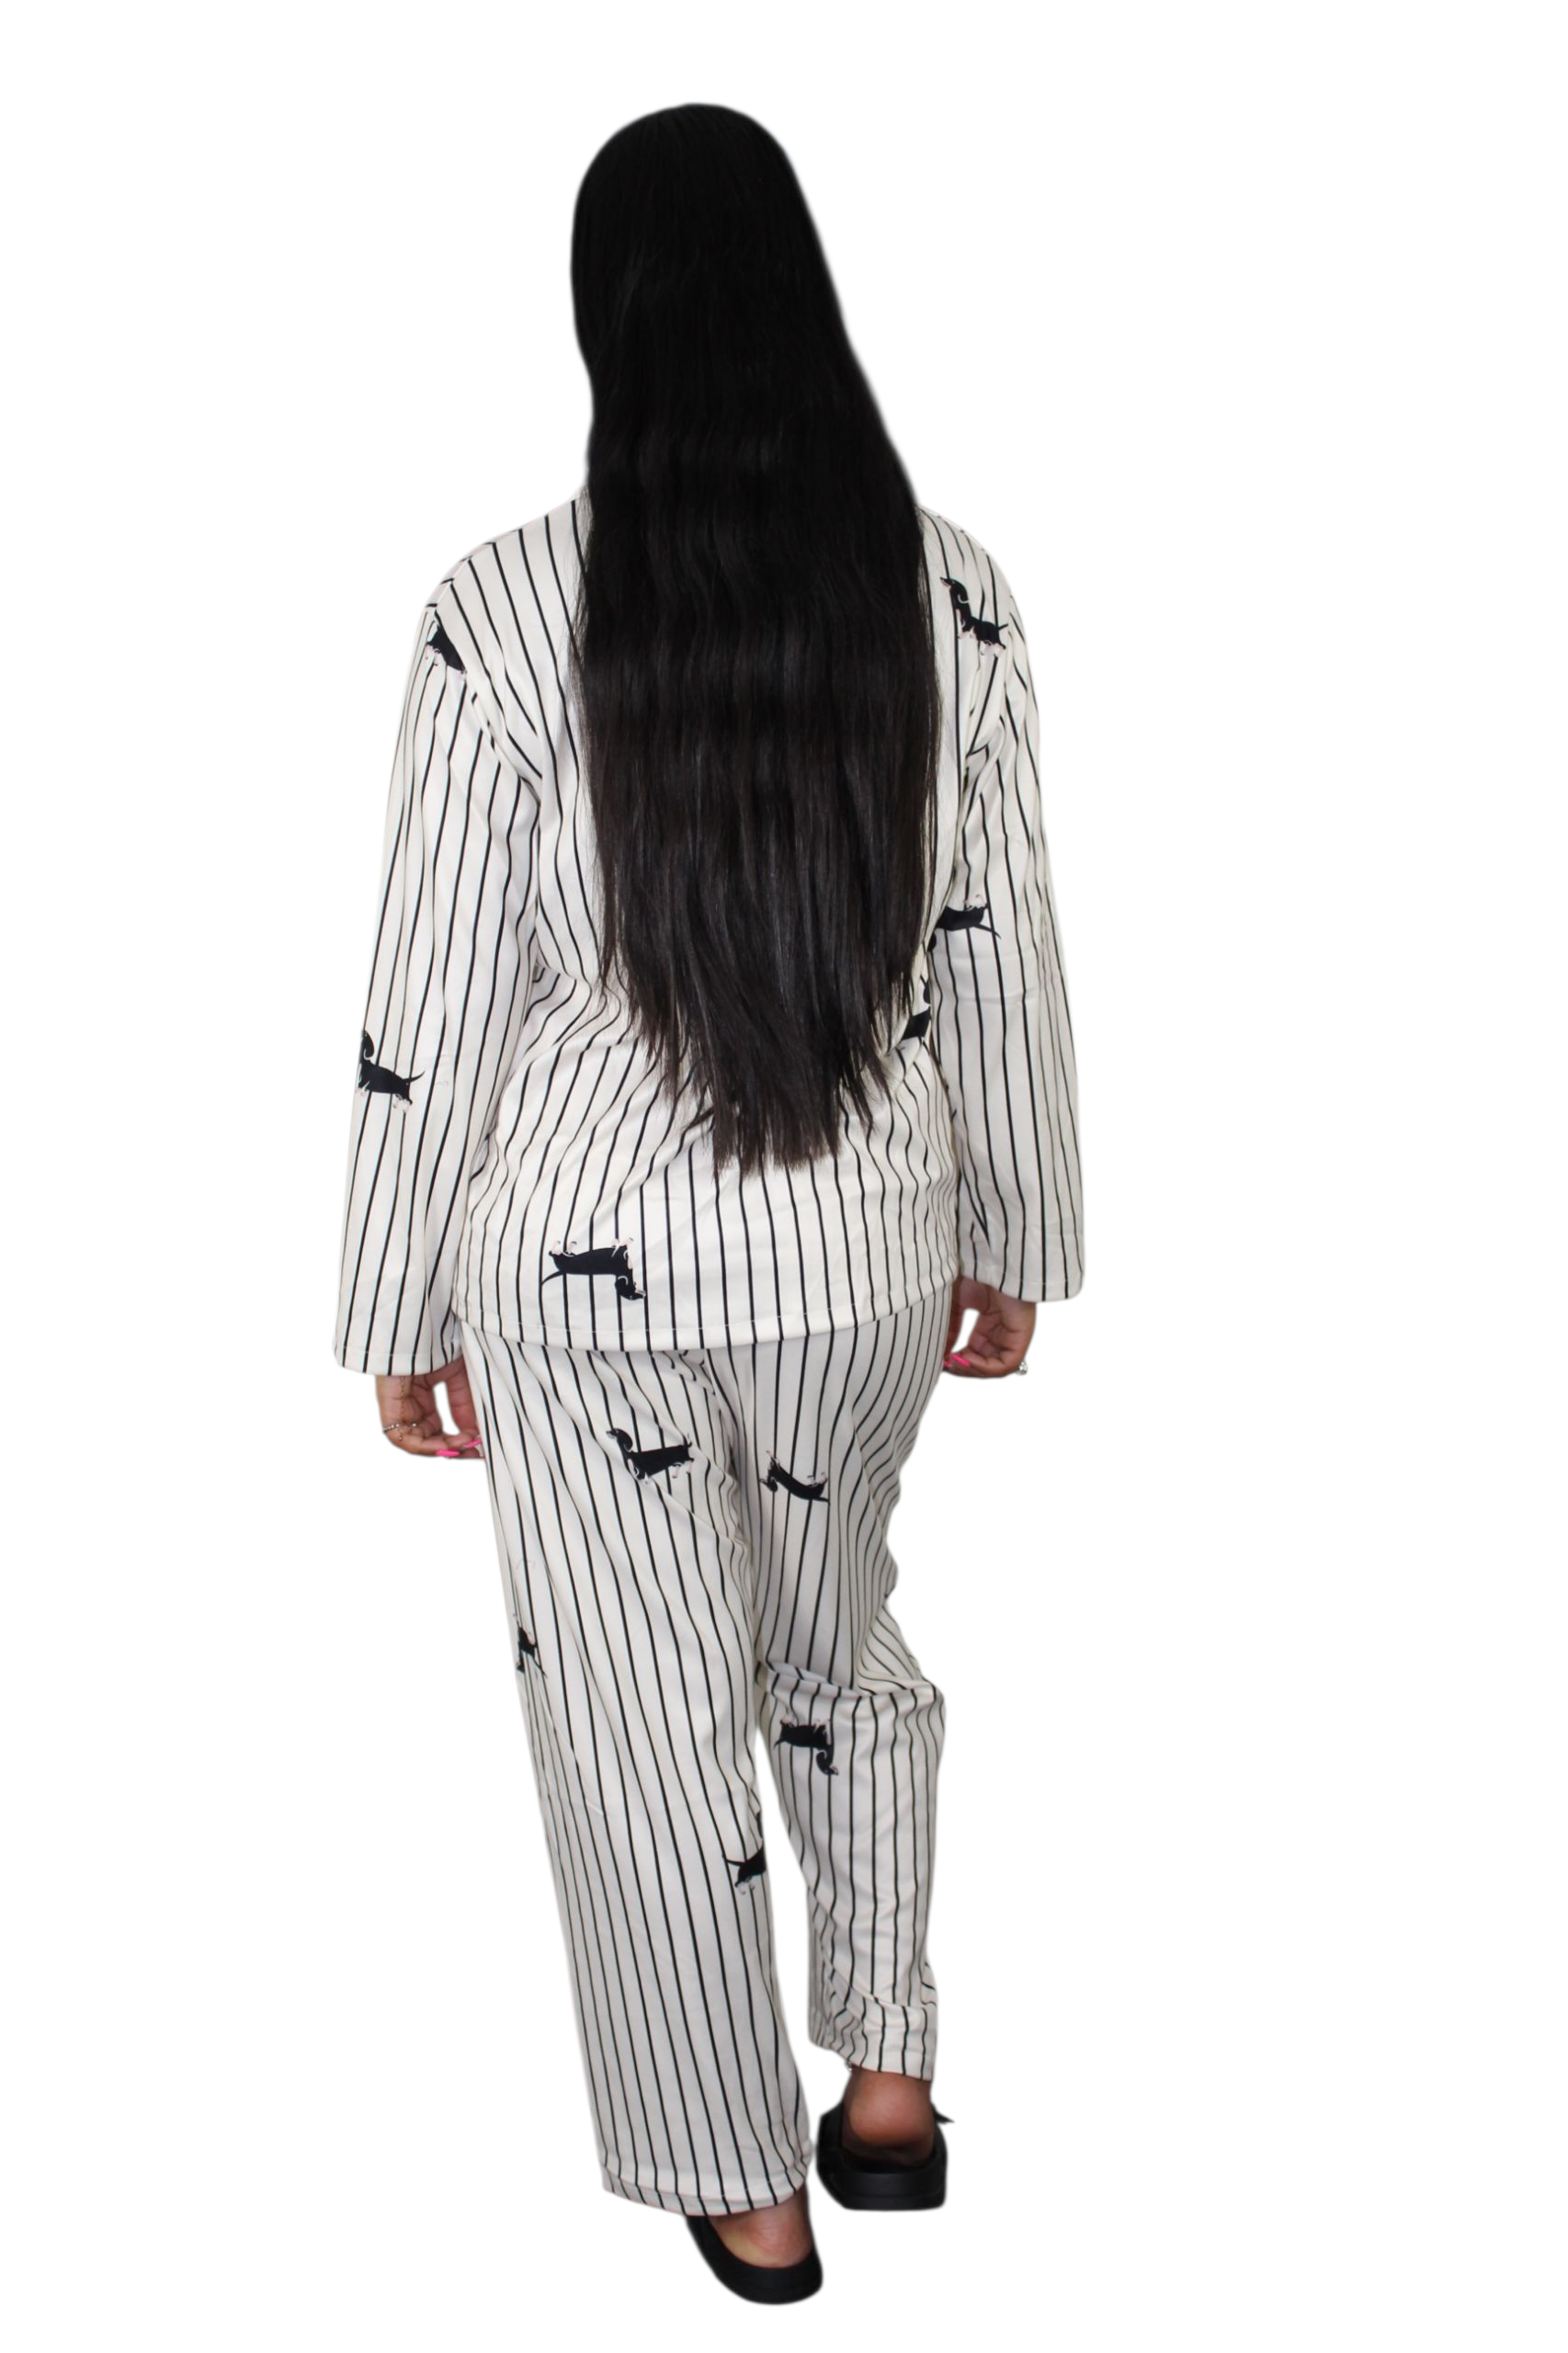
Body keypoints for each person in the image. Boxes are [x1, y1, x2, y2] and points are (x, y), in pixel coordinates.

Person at [331, 102, 1083, 2304]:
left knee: (639, 1719)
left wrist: (392, 1299)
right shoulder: (951, 589)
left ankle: (742, 2181)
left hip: (586, 1284)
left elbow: (431, 998)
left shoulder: (496, 611)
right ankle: (890, 2084)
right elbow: (998, 943)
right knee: (837, 1640)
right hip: (864, 1241)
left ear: (608, 317)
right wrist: (1018, 1227)